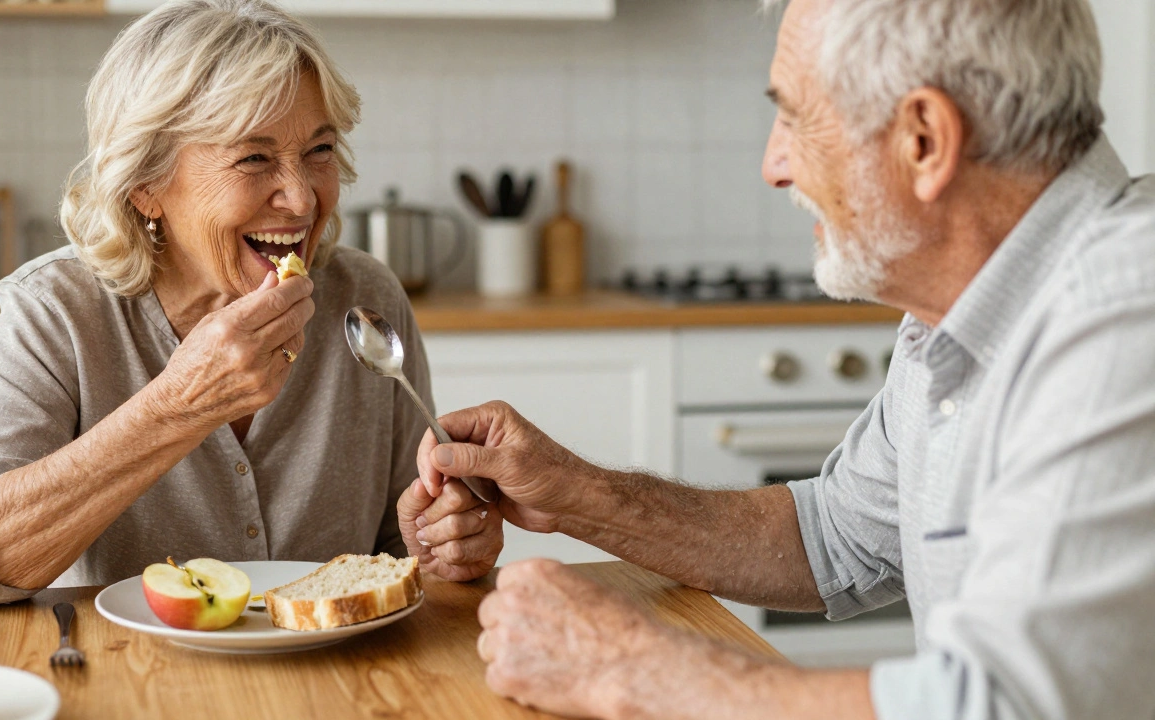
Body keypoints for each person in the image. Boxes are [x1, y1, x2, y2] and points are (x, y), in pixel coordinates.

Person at [405, 0, 1155, 717]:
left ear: (924, 139)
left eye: (796, 119)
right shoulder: (959, 312)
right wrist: (573, 492)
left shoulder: (1125, 317)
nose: (774, 165)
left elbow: (1002, 709)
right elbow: (831, 537)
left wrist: (625, 666)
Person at [0, 0, 500, 613]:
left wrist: (444, 545)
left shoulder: (366, 301)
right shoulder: (57, 311)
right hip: (129, 681)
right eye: (254, 158)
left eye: (319, 151)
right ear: (145, 184)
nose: (302, 199)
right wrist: (177, 408)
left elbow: (404, 545)